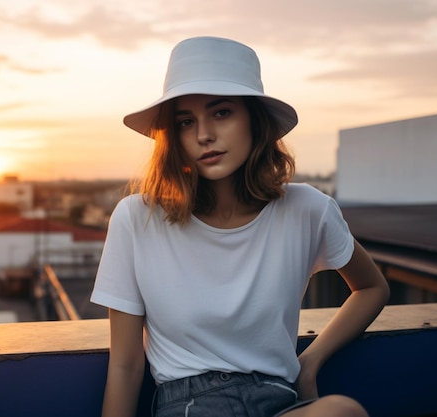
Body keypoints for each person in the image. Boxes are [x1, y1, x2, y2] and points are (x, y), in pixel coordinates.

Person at [90, 36, 390, 417]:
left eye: (221, 113)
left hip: (279, 400)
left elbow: (371, 287)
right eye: (186, 121)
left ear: (254, 119)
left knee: (343, 411)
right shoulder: (137, 218)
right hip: (189, 405)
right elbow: (126, 364)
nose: (203, 135)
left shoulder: (307, 209)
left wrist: (310, 362)